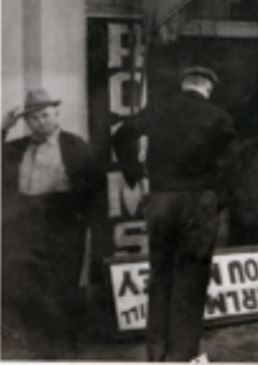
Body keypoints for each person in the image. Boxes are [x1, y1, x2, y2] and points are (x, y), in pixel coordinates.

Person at [113, 66, 236, 361]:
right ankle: (181, 356)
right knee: (191, 280)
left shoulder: (157, 110)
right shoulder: (219, 117)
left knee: (160, 276)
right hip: (198, 202)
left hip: (161, 200)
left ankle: (156, 354)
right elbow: (230, 165)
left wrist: (135, 174)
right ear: (208, 87)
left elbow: (123, 134)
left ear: (184, 85)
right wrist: (217, 200)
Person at [2, 88, 103, 358]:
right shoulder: (16, 148)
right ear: (26, 121)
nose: (40, 122)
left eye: (45, 115)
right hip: (25, 224)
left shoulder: (76, 146)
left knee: (63, 285)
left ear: (57, 113)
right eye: (33, 118)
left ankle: (67, 348)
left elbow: (96, 188)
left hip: (63, 222)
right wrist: (3, 128)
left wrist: (88, 223)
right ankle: (40, 350)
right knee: (30, 287)